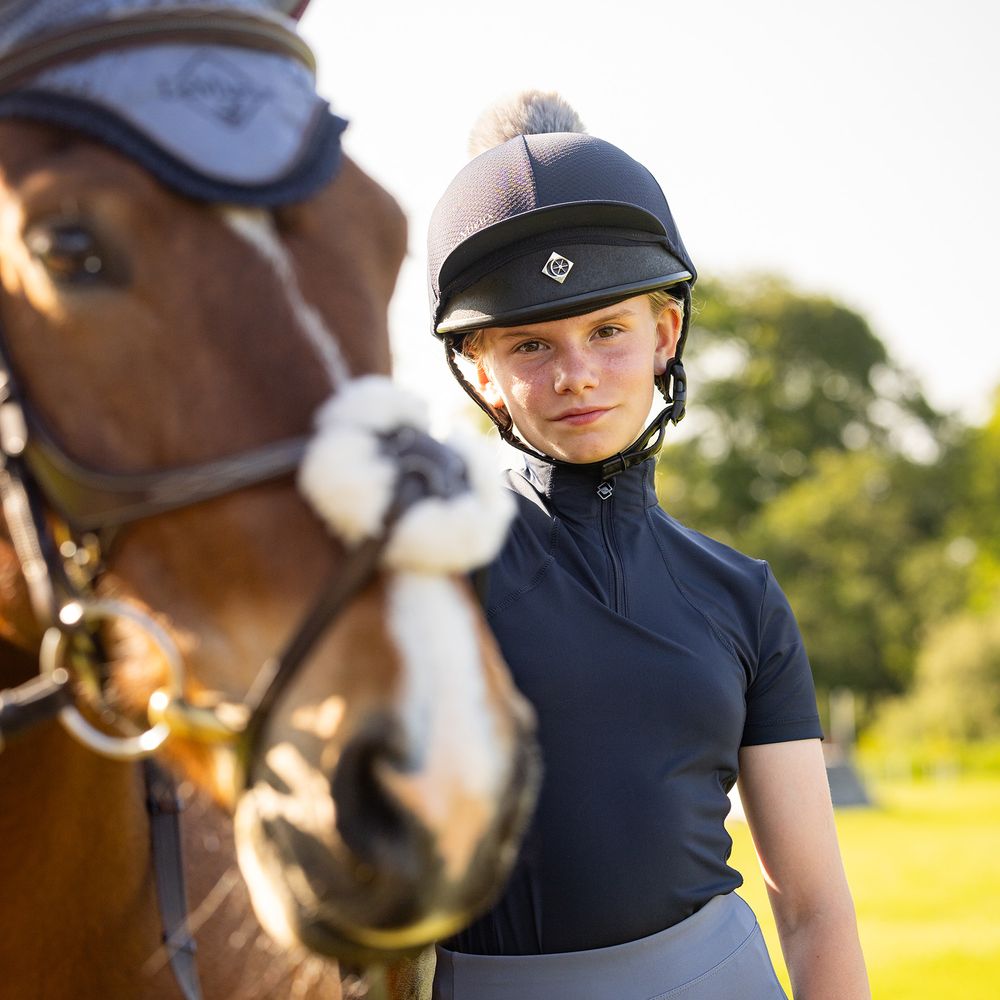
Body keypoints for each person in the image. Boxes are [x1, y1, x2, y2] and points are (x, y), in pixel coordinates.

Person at [422, 91, 871, 1000]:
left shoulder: (744, 598)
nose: (576, 372)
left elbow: (815, 906)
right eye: (529, 345)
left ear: (665, 334)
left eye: (608, 330)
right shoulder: (423, 577)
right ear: (481, 369)